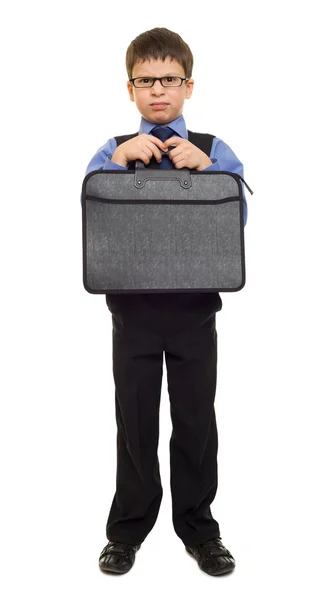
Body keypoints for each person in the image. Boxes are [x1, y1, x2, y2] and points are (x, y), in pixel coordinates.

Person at [84, 27, 248, 577]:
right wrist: (114, 164)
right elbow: (91, 219)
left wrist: (212, 174)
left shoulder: (214, 149)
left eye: (169, 79)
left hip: (194, 313)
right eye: (146, 80)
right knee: (134, 423)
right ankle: (126, 532)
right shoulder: (111, 151)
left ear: (189, 86)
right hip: (132, 314)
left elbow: (238, 219)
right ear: (130, 89)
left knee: (196, 420)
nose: (158, 90)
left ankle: (200, 530)